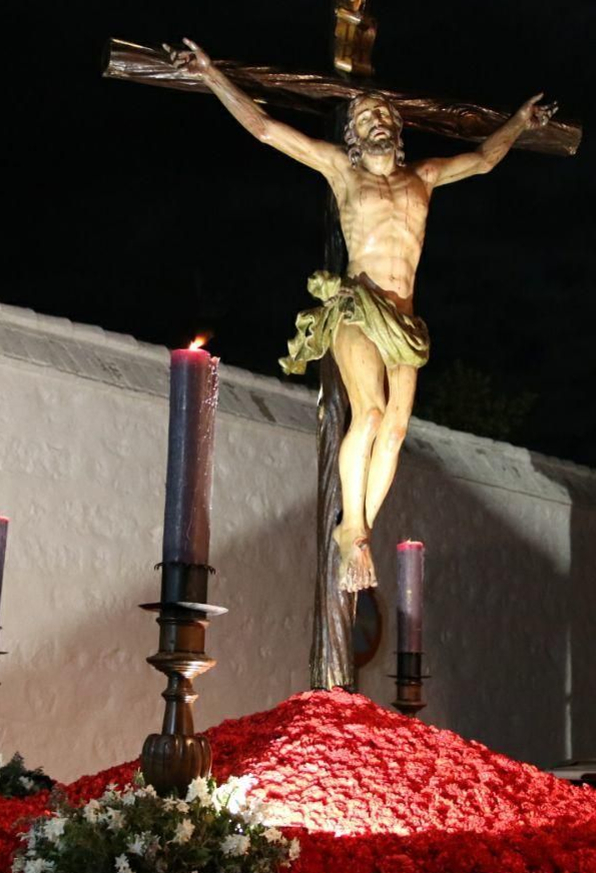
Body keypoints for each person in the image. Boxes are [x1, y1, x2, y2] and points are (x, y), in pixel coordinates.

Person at [172, 38, 553, 591]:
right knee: (369, 414)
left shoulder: (424, 176)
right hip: (358, 304)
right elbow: (267, 130)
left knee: (396, 430)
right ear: (352, 132)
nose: (377, 120)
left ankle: (358, 531)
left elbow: (483, 159)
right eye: (366, 115)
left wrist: (519, 121)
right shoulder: (342, 173)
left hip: (405, 320)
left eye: (384, 114)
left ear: (397, 129)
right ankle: (353, 531)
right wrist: (211, 75)